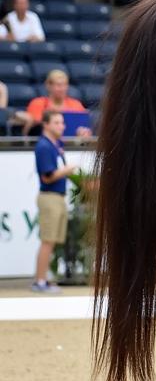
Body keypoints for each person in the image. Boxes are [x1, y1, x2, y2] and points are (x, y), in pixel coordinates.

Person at [32, 109, 77, 292]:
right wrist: (67, 170)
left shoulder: (55, 144)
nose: (61, 126)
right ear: (46, 124)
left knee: (51, 240)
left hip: (57, 197)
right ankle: (40, 281)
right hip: (49, 196)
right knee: (47, 240)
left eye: (62, 122)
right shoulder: (44, 146)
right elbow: (47, 177)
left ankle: (43, 279)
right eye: (57, 122)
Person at [22, 69, 91, 137]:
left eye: (64, 85)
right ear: (48, 86)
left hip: (72, 145)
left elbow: (84, 128)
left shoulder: (76, 104)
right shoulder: (37, 104)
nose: (62, 89)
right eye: (58, 85)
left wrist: (84, 133)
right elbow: (36, 128)